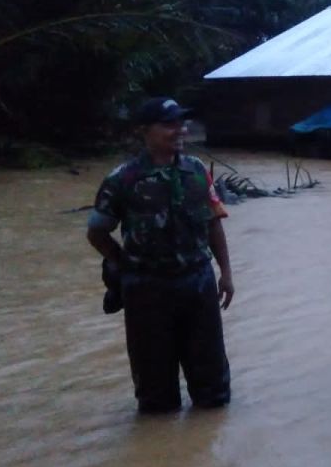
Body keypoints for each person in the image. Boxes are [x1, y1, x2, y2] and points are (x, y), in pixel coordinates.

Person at [86, 97, 234, 413]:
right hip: (147, 291)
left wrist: (226, 274)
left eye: (181, 122)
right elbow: (96, 233)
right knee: (156, 398)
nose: (179, 130)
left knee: (214, 393)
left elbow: (213, 224)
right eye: (169, 124)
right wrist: (126, 265)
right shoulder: (122, 179)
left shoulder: (196, 171)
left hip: (198, 284)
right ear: (145, 131)